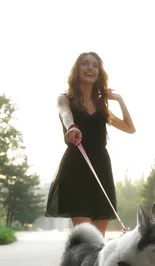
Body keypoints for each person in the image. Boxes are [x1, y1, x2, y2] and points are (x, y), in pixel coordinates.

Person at [45, 52, 135, 236]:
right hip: (76, 168)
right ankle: (78, 265)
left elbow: (129, 128)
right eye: (85, 64)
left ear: (99, 73)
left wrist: (119, 99)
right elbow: (65, 113)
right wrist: (71, 127)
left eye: (95, 65)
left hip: (101, 168)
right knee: (86, 236)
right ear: (76, 70)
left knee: (99, 238)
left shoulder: (102, 106)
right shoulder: (65, 99)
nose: (90, 68)